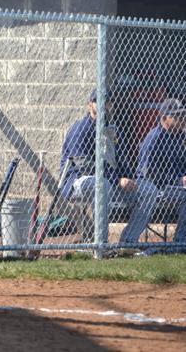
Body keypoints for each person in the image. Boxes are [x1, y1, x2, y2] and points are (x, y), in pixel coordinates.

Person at [59, 89, 157, 247]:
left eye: (108, 102)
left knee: (148, 190)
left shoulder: (112, 129)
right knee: (101, 184)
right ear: (90, 104)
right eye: (99, 101)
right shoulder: (80, 128)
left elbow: (122, 159)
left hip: (110, 182)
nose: (104, 105)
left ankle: (128, 242)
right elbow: (84, 166)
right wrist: (117, 179)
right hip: (76, 183)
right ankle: (101, 244)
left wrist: (129, 178)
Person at [133, 98, 186, 255]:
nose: (182, 119)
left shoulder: (179, 137)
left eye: (183, 115)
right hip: (158, 188)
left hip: (176, 185)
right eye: (177, 116)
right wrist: (178, 180)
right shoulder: (155, 137)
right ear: (164, 118)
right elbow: (148, 173)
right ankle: (180, 242)